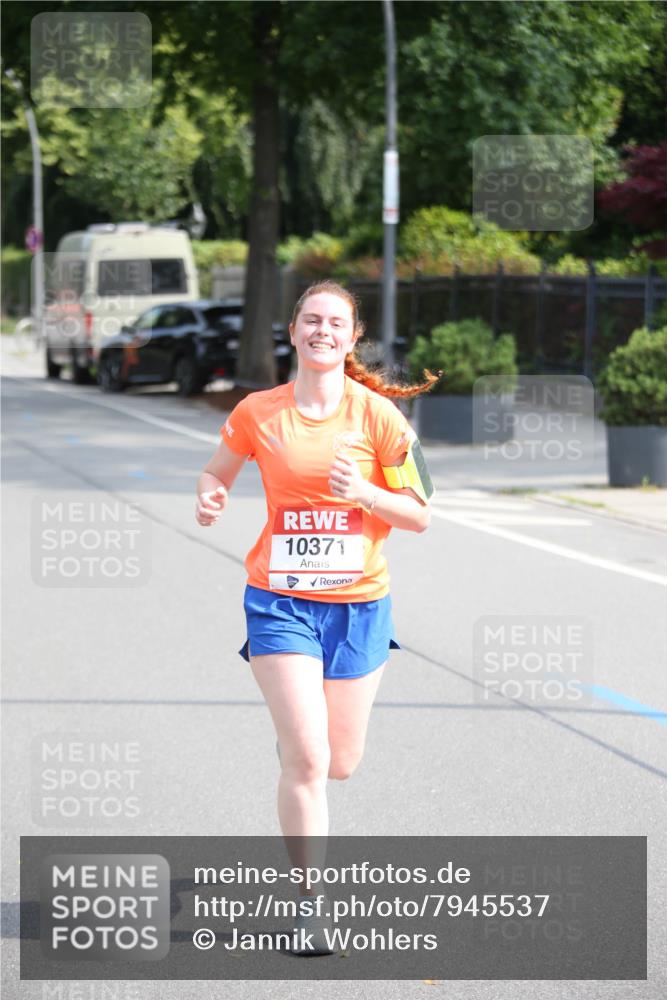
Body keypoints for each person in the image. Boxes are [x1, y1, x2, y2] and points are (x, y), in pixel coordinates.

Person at [195, 279, 439, 954]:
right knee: (307, 756)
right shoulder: (258, 412)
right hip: (279, 600)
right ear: (294, 330)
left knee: (339, 763)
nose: (322, 330)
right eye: (310, 320)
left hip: (360, 604)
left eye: (335, 322)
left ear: (351, 336)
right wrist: (210, 496)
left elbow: (419, 515)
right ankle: (310, 906)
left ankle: (302, 746)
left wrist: (363, 490)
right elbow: (216, 472)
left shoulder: (381, 418)